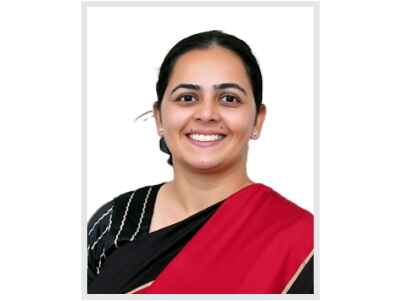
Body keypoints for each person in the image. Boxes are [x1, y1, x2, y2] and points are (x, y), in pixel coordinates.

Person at [87, 30, 314, 294]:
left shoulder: (301, 240)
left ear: (258, 121)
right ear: (159, 117)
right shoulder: (115, 221)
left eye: (229, 99)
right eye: (187, 98)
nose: (206, 114)